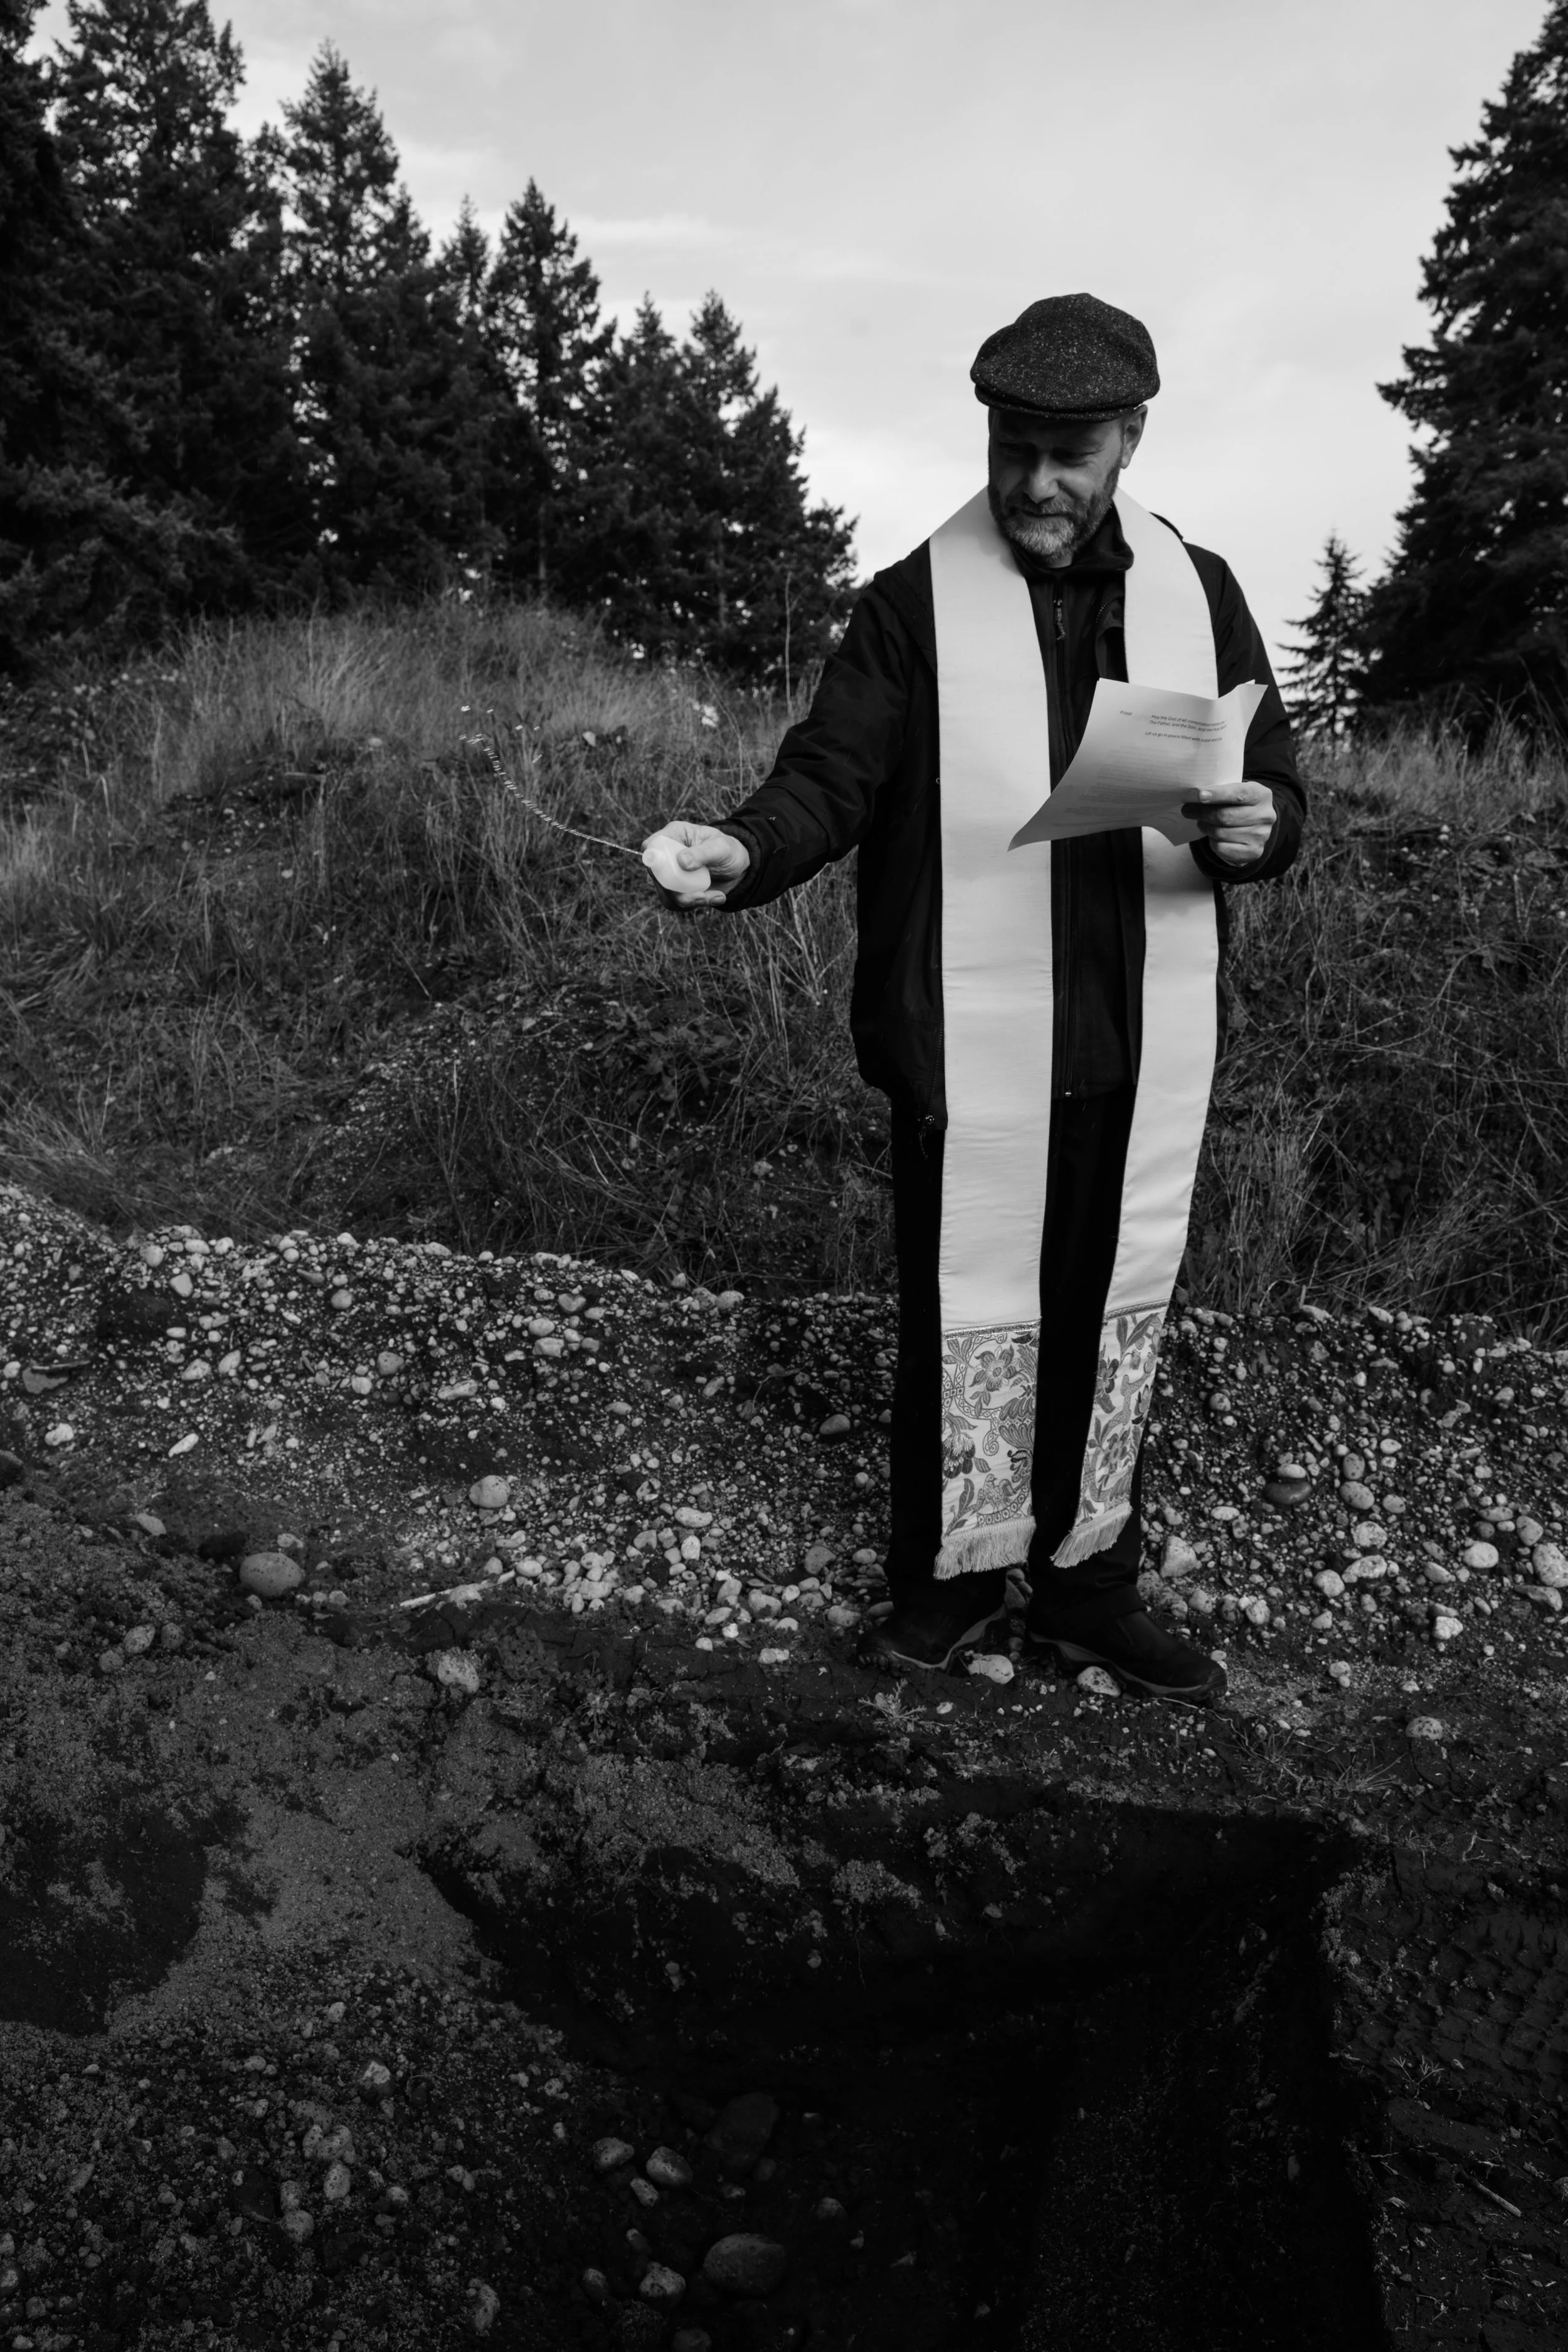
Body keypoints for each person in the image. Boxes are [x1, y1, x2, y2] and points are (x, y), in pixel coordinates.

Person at [641, 292, 1304, 1703]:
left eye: (1068, 451)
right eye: (1012, 448)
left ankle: (1084, 1585)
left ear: (1130, 436)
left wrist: (1264, 830)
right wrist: (741, 847)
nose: (1033, 483)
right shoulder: (908, 608)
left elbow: (1273, 781)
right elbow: (828, 778)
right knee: (963, 1312)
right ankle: (944, 1581)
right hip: (962, 1033)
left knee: (1106, 1305)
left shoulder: (1204, 594)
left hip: (1138, 1028)